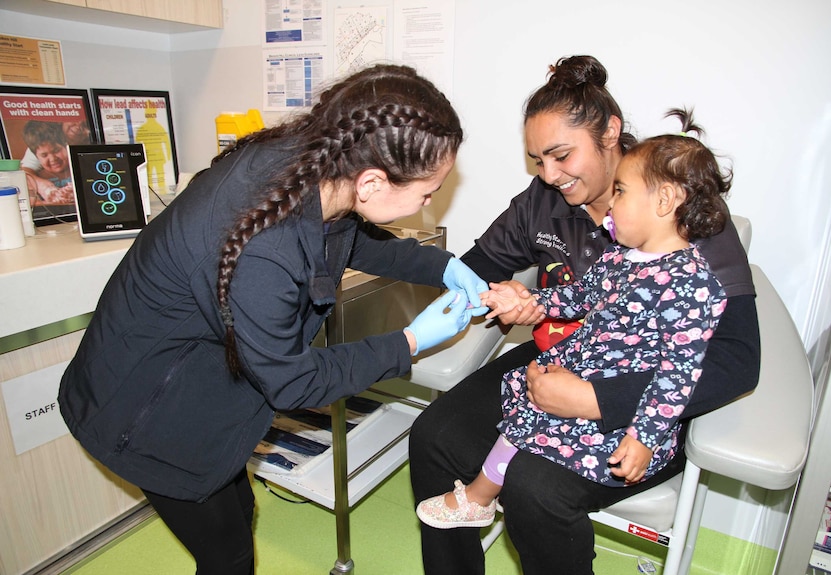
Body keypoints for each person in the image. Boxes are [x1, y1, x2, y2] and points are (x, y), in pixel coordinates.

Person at [58, 64, 489, 575]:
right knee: (229, 555)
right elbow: (295, 383)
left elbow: (352, 238)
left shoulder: (318, 167)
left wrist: (441, 265)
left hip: (198, 374)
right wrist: (410, 342)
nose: (429, 201)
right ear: (372, 181)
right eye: (428, 191)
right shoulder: (265, 249)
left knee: (238, 514)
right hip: (142, 409)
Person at [409, 55, 760, 574]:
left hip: (648, 390)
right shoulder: (543, 203)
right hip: (568, 355)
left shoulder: (689, 221)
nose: (549, 176)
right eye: (537, 161)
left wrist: (595, 399)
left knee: (534, 486)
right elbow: (480, 272)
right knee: (435, 436)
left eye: (561, 155)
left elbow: (734, 360)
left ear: (611, 133)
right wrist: (497, 296)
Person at [20, 120, 74, 205]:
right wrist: (54, 202)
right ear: (36, 157)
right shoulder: (38, 176)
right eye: (44, 155)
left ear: (66, 145)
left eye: (56, 150)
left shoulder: (78, 169)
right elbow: (31, 203)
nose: (52, 159)